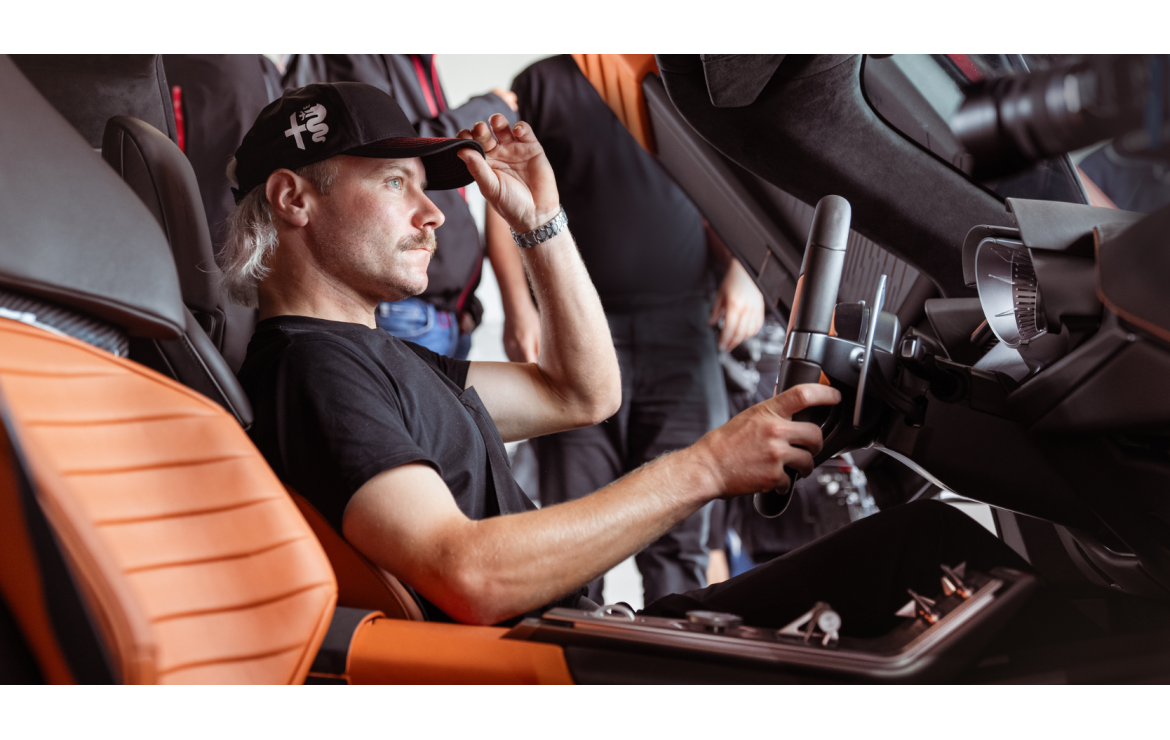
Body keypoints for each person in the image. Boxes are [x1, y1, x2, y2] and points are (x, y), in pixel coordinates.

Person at [226, 82, 1093, 645]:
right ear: (293, 197)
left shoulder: (379, 359)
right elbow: (469, 574)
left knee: (930, 553)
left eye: (426, 189)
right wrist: (707, 468)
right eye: (394, 184)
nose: (435, 216)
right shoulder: (314, 371)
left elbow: (583, 392)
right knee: (929, 553)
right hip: (553, 667)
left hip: (583, 642)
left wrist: (541, 222)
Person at [487, 55, 765, 604]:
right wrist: (520, 310)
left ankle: (678, 653)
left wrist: (743, 271)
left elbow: (725, 189)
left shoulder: (683, 77)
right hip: (578, 338)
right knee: (574, 531)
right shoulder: (541, 84)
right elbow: (504, 200)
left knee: (683, 534)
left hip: (685, 333)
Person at [285, 54, 518, 358]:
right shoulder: (356, 51)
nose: (435, 216)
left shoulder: (414, 60)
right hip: (404, 313)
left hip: (447, 314)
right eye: (397, 184)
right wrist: (486, 110)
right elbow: (382, 147)